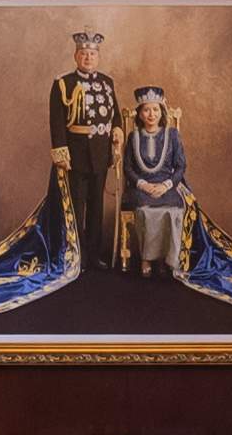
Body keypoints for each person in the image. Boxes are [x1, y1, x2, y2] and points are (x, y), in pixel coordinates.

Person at [51, 29, 126, 271]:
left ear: (98, 56)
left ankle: (94, 256)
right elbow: (57, 122)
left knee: (96, 207)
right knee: (77, 206)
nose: (88, 58)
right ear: (76, 56)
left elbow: (115, 114)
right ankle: (77, 256)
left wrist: (117, 129)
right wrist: (61, 153)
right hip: (77, 156)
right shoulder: (63, 84)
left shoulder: (107, 82)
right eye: (83, 53)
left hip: (101, 154)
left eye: (92, 54)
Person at [120, 88, 190, 279]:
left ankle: (168, 259)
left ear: (162, 112)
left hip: (167, 184)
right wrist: (142, 184)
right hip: (141, 186)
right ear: (140, 114)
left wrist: (166, 185)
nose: (151, 114)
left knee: (174, 209)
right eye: (146, 110)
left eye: (156, 110)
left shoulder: (172, 135)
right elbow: (128, 168)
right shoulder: (133, 137)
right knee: (145, 210)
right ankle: (147, 258)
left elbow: (181, 166)